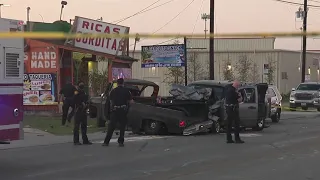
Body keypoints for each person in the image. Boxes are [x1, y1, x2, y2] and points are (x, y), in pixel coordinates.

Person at [102, 78, 133, 147]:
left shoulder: (113, 91)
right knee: (122, 127)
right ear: (123, 83)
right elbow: (131, 102)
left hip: (115, 110)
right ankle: (121, 142)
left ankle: (106, 142)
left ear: (117, 83)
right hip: (123, 111)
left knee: (111, 127)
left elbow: (110, 101)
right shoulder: (127, 91)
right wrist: (127, 107)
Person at [73, 81, 92, 145]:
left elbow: (86, 99)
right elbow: (75, 99)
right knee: (77, 126)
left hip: (84, 110)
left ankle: (85, 140)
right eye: (81, 84)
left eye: (82, 84)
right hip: (78, 110)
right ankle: (76, 140)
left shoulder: (84, 92)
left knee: (84, 126)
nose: (82, 85)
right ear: (78, 86)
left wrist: (87, 103)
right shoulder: (76, 92)